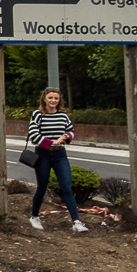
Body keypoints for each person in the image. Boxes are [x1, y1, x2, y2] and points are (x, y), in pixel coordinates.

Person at [28, 87, 88, 233]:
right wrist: (51, 142)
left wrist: (67, 137)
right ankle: (34, 216)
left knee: (67, 187)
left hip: (60, 154)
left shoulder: (63, 115)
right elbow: (33, 133)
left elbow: (70, 130)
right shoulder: (37, 114)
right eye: (50, 98)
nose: (53, 100)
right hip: (43, 154)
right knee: (42, 186)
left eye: (56, 98)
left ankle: (76, 222)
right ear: (44, 99)